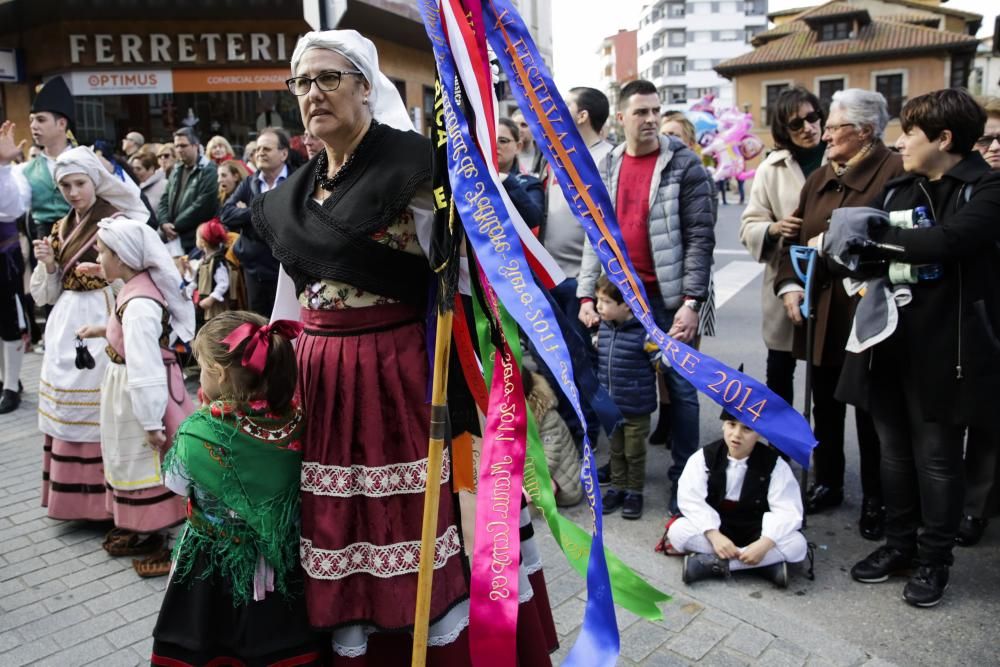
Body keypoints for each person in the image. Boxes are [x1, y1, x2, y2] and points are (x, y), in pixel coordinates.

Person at [255, 30, 555, 663]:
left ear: (366, 86)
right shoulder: (291, 194)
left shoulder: (416, 167)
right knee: (340, 526)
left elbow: (475, 283)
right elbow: (290, 302)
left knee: (414, 524)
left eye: (329, 79)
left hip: (399, 378)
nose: (313, 94)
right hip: (321, 384)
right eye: (302, 83)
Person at [836, 89, 1000, 607]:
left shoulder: (986, 188)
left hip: (947, 351)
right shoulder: (900, 188)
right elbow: (860, 253)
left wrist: (877, 244)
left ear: (944, 139)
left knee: (937, 461)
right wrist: (855, 253)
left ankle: (934, 561)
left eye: (910, 132)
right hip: (888, 343)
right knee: (893, 455)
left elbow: (950, 242)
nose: (899, 141)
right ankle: (898, 545)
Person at [578, 79, 716, 516]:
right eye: (641, 112)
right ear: (621, 118)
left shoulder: (685, 165)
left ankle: (686, 480)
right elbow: (593, 236)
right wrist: (586, 294)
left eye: (657, 110)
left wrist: (692, 302)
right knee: (617, 385)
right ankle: (622, 476)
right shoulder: (607, 166)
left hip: (669, 299)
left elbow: (700, 238)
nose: (652, 119)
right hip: (619, 300)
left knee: (682, 389)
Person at [151, 311, 321, 665]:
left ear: (220, 373)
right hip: (279, 565)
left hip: (210, 568)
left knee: (206, 644)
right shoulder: (297, 421)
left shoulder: (199, 431)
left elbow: (177, 484)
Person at [774, 89, 902, 538]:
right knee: (825, 404)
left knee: (870, 411)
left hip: (865, 311)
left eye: (833, 127)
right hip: (821, 312)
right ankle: (828, 480)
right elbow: (794, 238)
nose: (823, 134)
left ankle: (877, 498)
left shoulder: (894, 172)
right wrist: (789, 285)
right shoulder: (821, 177)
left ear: (864, 130)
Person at [29, 146, 149, 521]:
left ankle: (106, 501)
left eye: (79, 182)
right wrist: (48, 266)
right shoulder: (59, 227)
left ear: (94, 181)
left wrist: (108, 284)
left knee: (106, 406)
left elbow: (133, 274)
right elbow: (45, 294)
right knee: (69, 406)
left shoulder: (114, 222)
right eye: (65, 185)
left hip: (103, 315)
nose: (73, 191)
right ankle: (72, 501)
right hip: (66, 322)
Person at [77, 218, 193, 576]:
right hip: (127, 387)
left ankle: (162, 536)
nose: (98, 256)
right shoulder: (133, 287)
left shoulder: (140, 303)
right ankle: (146, 528)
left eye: (103, 251)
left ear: (123, 257)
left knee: (146, 462)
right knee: (132, 461)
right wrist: (103, 329)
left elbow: (145, 368)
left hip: (139, 394)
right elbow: (130, 333)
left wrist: (150, 421)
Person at [740, 87, 826, 408]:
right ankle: (780, 451)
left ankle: (824, 451)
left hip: (831, 283)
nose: (808, 127)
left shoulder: (839, 158)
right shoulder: (770, 168)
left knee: (825, 378)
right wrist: (775, 228)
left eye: (812, 117)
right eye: (796, 124)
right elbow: (749, 225)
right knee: (779, 370)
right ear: (783, 130)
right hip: (783, 281)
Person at [667, 407, 807, 587]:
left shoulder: (775, 465)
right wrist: (714, 535)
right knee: (678, 531)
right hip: (718, 526)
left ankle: (714, 564)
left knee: (797, 544)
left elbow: (787, 510)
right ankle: (763, 566)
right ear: (723, 426)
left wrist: (764, 544)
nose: (737, 434)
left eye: (747, 429)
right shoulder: (704, 458)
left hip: (756, 528)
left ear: (759, 434)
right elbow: (691, 499)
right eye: (731, 425)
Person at [957, 96, 1000, 547]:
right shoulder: (964, 186)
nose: (994, 147)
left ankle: (977, 507)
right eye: (987, 138)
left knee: (990, 423)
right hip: (965, 315)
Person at [595, 275, 657, 520]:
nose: (599, 306)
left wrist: (665, 357)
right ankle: (617, 488)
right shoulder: (603, 327)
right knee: (616, 451)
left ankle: (634, 492)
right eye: (599, 300)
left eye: (606, 301)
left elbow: (660, 363)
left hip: (635, 408)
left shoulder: (644, 333)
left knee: (634, 452)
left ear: (626, 305)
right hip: (612, 408)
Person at [220, 127, 292, 317]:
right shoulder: (249, 183)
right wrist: (260, 211)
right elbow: (226, 214)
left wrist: (246, 211)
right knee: (258, 324)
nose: (260, 153)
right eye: (258, 149)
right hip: (254, 269)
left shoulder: (295, 180)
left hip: (284, 269)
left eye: (266, 149)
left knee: (285, 324)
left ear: (283, 153)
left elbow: (292, 217)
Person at [0, 121, 32, 413]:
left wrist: (2, 165)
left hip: (3, 255)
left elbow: (13, 208)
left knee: (9, 319)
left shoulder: (14, 172)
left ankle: (11, 385)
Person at [523, 369, 582, 508]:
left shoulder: (547, 416)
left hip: (562, 482)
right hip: (531, 471)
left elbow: (549, 459)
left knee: (516, 507)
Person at [157, 127, 219, 253]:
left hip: (195, 240)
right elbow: (164, 198)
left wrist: (174, 226)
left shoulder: (208, 170)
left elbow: (202, 205)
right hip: (174, 237)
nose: (179, 150)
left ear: (195, 146)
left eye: (183, 145)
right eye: (177, 146)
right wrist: (163, 222)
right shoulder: (176, 169)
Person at [496, 117, 544, 229]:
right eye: (489, 140)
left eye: (502, 141)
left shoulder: (530, 183)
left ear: (518, 147)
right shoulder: (472, 179)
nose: (495, 145)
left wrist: (508, 181)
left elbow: (534, 219)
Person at [194, 220, 233, 320]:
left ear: (203, 242)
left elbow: (223, 283)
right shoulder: (204, 260)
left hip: (214, 305)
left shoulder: (217, 261)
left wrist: (212, 298)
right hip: (203, 303)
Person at [130, 148, 168, 213]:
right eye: (132, 168)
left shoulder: (165, 186)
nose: (134, 172)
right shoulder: (132, 185)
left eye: (138, 169)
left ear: (151, 169)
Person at [512, 108, 545, 176]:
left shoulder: (545, 157)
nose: (518, 129)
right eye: (514, 125)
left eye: (524, 125)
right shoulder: (505, 155)